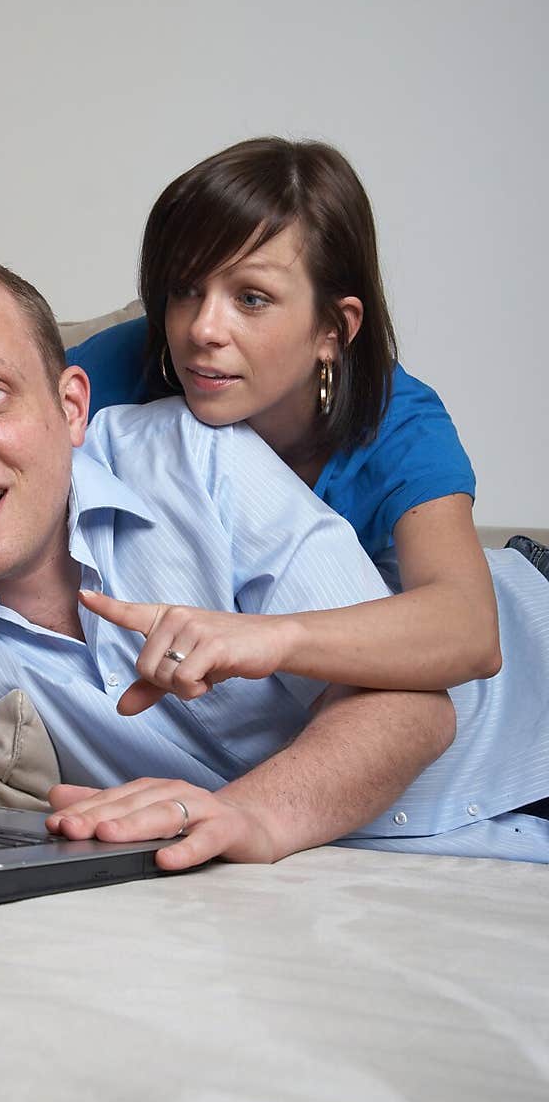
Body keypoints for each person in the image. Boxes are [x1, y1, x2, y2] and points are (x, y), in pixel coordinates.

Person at [0, 253, 549, 868]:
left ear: (70, 408)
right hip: (480, 838)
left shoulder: (196, 454)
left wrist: (253, 812)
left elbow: (411, 702)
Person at [67, 137, 547, 697]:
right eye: (185, 290)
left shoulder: (400, 422)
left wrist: (267, 638)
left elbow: (470, 631)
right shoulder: (123, 362)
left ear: (333, 330)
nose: (202, 329)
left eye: (251, 298)